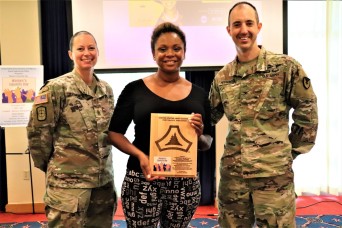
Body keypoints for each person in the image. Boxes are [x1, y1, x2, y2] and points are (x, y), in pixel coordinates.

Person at [208, 2, 318, 227]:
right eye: (237, 24)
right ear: (229, 30)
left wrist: (287, 151)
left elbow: (308, 110)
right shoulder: (223, 77)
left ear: (258, 26)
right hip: (233, 179)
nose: (243, 30)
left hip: (273, 177)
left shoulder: (285, 67)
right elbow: (209, 116)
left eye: (249, 23)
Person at [108, 22, 212, 228]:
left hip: (184, 183)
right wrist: (141, 156)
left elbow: (207, 142)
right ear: (154, 54)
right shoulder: (134, 90)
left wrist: (199, 134)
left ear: (184, 52)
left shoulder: (199, 94)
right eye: (162, 49)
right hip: (142, 179)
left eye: (176, 48)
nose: (169, 54)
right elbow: (114, 133)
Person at [27, 31, 117, 227]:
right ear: (70, 54)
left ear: (98, 52)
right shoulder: (56, 89)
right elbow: (38, 135)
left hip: (103, 183)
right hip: (68, 186)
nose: (87, 53)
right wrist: (55, 167)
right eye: (80, 49)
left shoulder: (106, 90)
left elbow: (108, 133)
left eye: (91, 48)